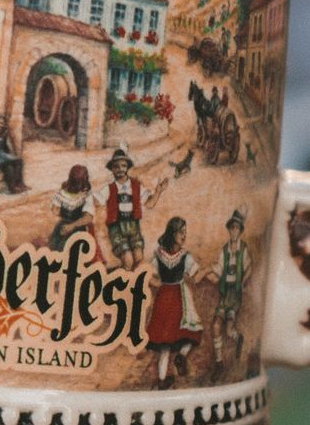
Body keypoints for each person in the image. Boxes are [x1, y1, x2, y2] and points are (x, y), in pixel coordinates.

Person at [144, 216, 203, 387]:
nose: (184, 236)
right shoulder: (184, 256)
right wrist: (207, 272)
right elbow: (196, 275)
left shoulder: (159, 255)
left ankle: (162, 379)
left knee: (164, 343)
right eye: (181, 232)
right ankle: (181, 356)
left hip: (164, 296)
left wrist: (160, 285)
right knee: (192, 331)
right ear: (173, 233)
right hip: (178, 297)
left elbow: (149, 275)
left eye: (185, 233)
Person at [212, 209, 251, 368]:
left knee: (228, 330)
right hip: (225, 292)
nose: (234, 231)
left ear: (240, 230)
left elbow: (249, 267)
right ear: (229, 229)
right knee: (215, 325)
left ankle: (237, 337)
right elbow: (219, 269)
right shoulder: (224, 250)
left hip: (235, 294)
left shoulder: (244, 249)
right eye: (232, 227)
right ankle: (219, 362)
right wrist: (208, 272)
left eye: (237, 228)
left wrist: (243, 281)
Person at [48, 164, 102, 258]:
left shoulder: (85, 195)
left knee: (75, 251)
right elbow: (55, 209)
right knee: (55, 248)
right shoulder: (63, 193)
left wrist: (72, 225)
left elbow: (88, 217)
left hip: (79, 227)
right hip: (64, 226)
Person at [104, 148, 144, 269]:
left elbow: (150, 202)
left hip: (133, 225)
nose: (120, 169)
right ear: (112, 169)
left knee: (138, 257)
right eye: (116, 166)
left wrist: (158, 191)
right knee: (128, 259)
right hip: (117, 227)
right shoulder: (109, 188)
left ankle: (133, 279)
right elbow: (95, 200)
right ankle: (124, 282)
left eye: (123, 166)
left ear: (127, 168)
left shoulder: (136, 186)